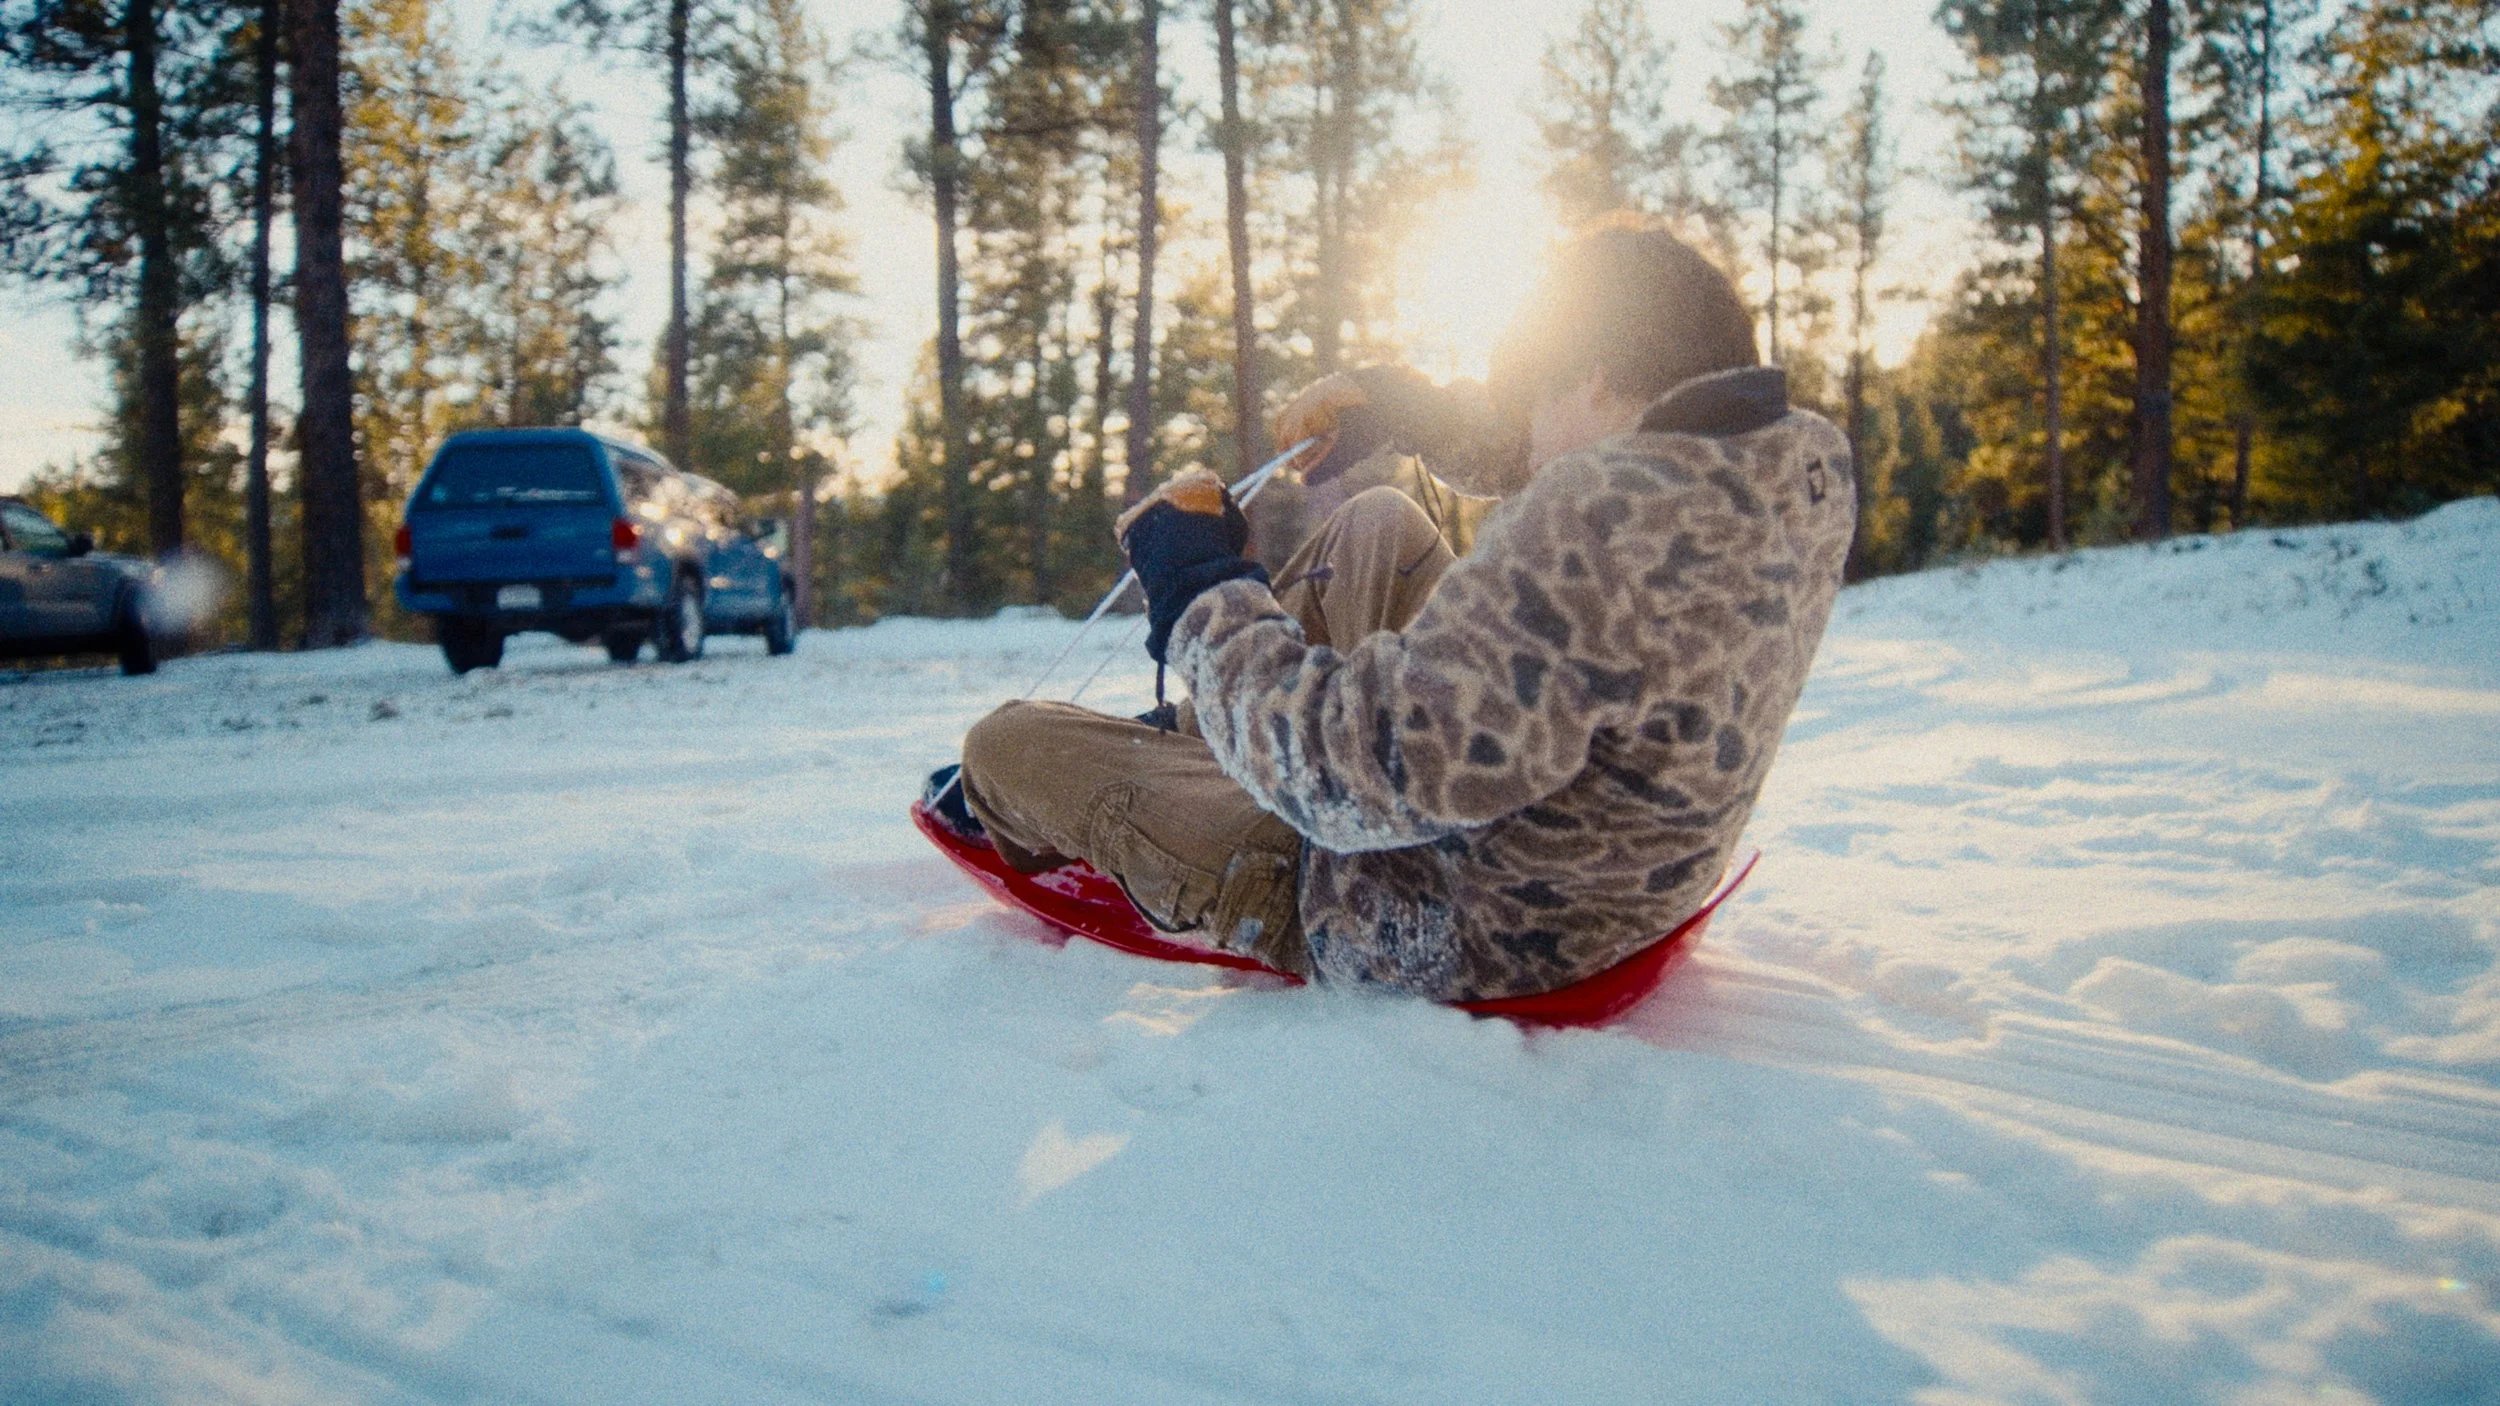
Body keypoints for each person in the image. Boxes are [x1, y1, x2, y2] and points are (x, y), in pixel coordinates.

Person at [938, 220, 1856, 1002]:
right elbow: (1581, 473)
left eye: (1535, 395)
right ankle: (1201, 731)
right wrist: (1411, 415)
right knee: (1378, 521)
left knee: (1007, 745)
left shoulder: (1596, 518)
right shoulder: (1791, 462)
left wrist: (1200, 591)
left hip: (1442, 920)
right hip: (1609, 855)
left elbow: (1346, 776)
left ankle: (1168, 749)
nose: (1529, 437)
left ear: (1596, 376)